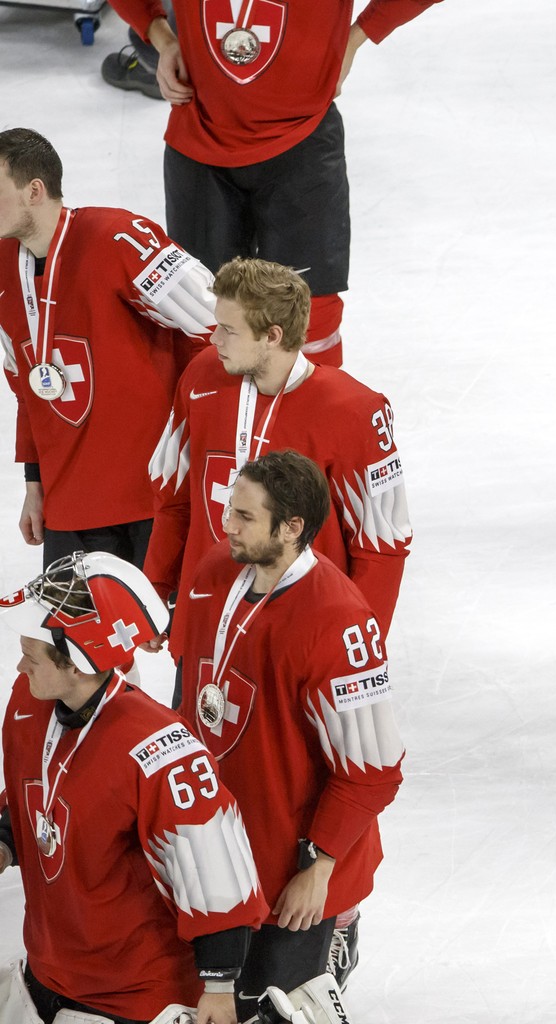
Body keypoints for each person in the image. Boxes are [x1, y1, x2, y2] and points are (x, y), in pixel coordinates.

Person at [174, 449, 404, 1018]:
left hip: (291, 874)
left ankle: (336, 938)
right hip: (217, 854)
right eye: (231, 509)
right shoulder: (213, 572)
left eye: (245, 516)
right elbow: (190, 696)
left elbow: (374, 771)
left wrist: (319, 868)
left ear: (293, 527)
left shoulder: (339, 621)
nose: (227, 524)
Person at [0, 551, 267, 1024]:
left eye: (31, 655)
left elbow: (214, 871)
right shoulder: (29, 705)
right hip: (46, 973)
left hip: (133, 996)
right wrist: (4, 839)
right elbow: (32, 791)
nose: (19, 668)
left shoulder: (163, 751)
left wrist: (220, 986)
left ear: (79, 663)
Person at [105, 0, 442, 366]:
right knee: (204, 318)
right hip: (201, 137)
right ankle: (215, 422)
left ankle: (306, 422)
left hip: (301, 139)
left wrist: (358, 36)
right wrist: (160, 35)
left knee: (308, 321)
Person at [144, 257, 411, 647]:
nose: (213, 338)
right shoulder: (201, 377)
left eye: (229, 330)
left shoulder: (354, 412)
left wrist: (354, 650)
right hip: (205, 625)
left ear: (272, 335)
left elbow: (381, 547)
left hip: (299, 641)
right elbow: (173, 498)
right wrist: (156, 588)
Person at [0, 127, 213, 568]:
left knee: (164, 637)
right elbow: (26, 384)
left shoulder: (119, 238)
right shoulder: (2, 272)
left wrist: (206, 444)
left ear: (34, 190)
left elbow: (217, 329)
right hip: (67, 507)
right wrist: (34, 481)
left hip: (155, 498)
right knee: (61, 639)